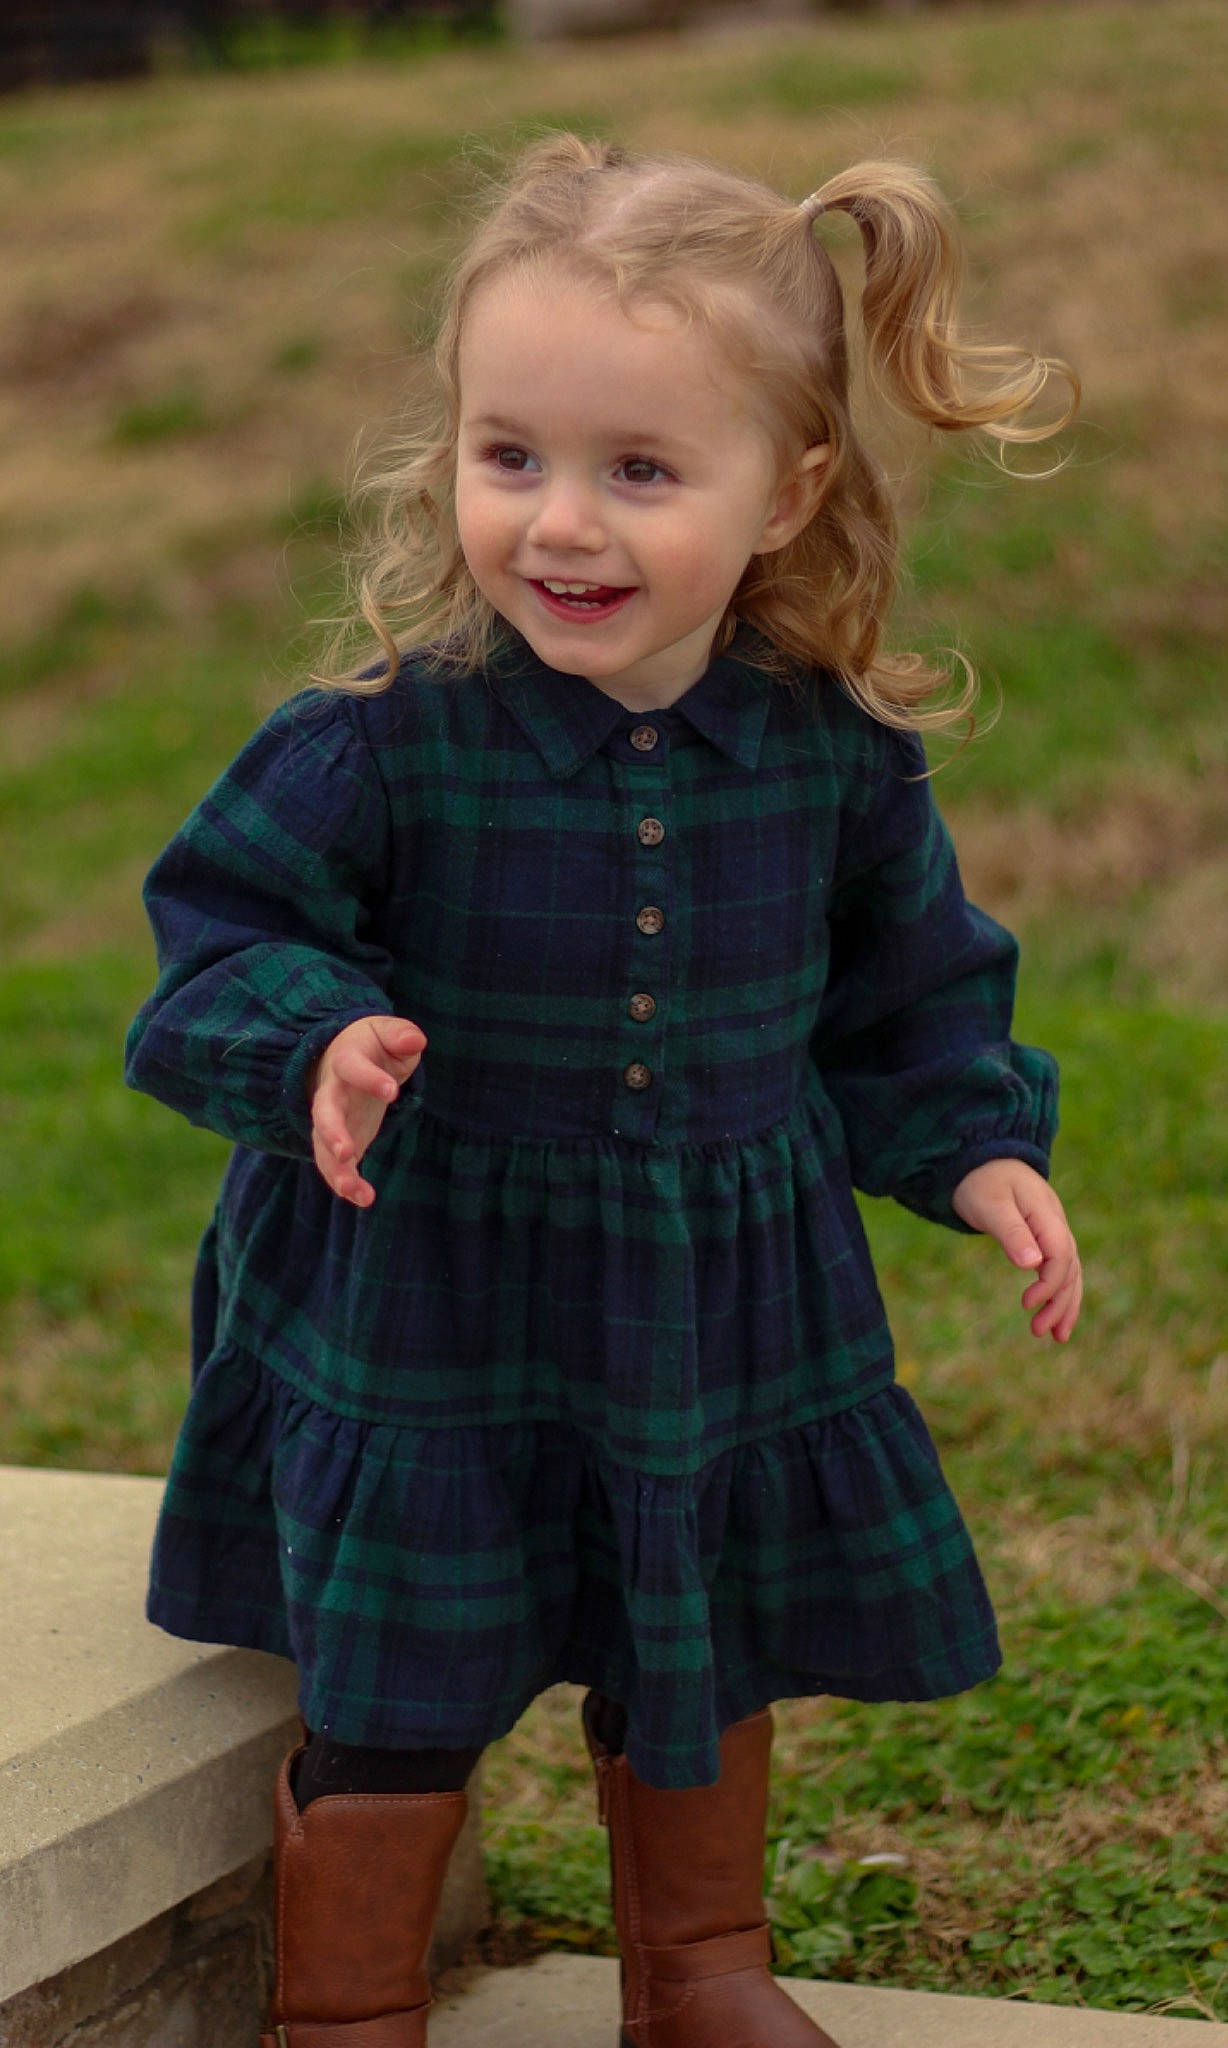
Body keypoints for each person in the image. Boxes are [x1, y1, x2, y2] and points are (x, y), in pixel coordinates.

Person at [125, 134, 1082, 2048]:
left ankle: (701, 1968)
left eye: (640, 470)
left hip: (717, 1304)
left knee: (700, 1637)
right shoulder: (384, 750)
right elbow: (211, 938)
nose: (562, 523)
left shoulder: (829, 761)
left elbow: (907, 997)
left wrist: (974, 1148)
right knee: (402, 1666)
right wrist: (316, 1033)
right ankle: (345, 2008)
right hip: (431, 1302)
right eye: (511, 456)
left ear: (790, 482)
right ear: (455, 449)